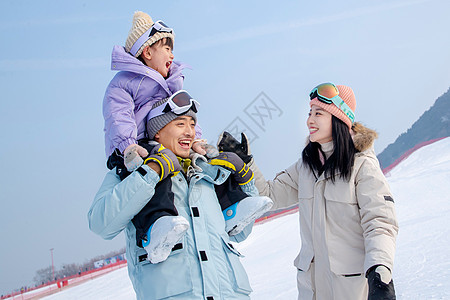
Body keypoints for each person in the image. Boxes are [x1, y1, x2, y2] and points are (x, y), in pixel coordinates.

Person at [102, 11, 272, 261]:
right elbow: (118, 117)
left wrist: (197, 142)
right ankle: (157, 225)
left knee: (209, 163)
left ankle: (233, 206)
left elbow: (186, 117)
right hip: (136, 148)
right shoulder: (123, 83)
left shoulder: (171, 81)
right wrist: (129, 147)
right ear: (147, 52)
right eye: (167, 48)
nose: (172, 54)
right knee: (159, 170)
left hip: (166, 142)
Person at [218, 83, 399, 300]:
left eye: (319, 113)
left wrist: (380, 270)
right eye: (310, 113)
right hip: (312, 291)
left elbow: (380, 222)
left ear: (340, 118)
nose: (309, 120)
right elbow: (270, 196)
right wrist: (246, 162)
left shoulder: (362, 166)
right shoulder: (306, 167)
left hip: (351, 290)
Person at [89, 94, 260, 299]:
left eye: (192, 124)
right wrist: (152, 171)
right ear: (158, 132)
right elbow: (100, 223)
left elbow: (240, 232)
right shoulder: (134, 169)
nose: (189, 131)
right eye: (180, 123)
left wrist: (245, 178)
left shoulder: (206, 170)